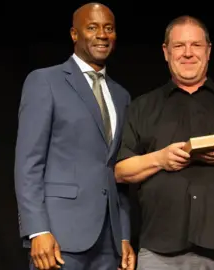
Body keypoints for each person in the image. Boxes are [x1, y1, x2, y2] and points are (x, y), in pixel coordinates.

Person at [114, 15, 214, 270]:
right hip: (158, 250)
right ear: (166, 52)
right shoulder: (141, 107)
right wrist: (159, 159)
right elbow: (121, 171)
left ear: (208, 51)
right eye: (179, 46)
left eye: (196, 45)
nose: (188, 53)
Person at [14, 3, 135, 269]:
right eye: (92, 27)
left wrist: (124, 235)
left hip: (110, 242)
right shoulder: (45, 81)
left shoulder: (122, 96)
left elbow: (119, 175)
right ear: (74, 34)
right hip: (59, 238)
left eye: (109, 28)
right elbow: (28, 164)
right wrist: (37, 230)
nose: (102, 34)